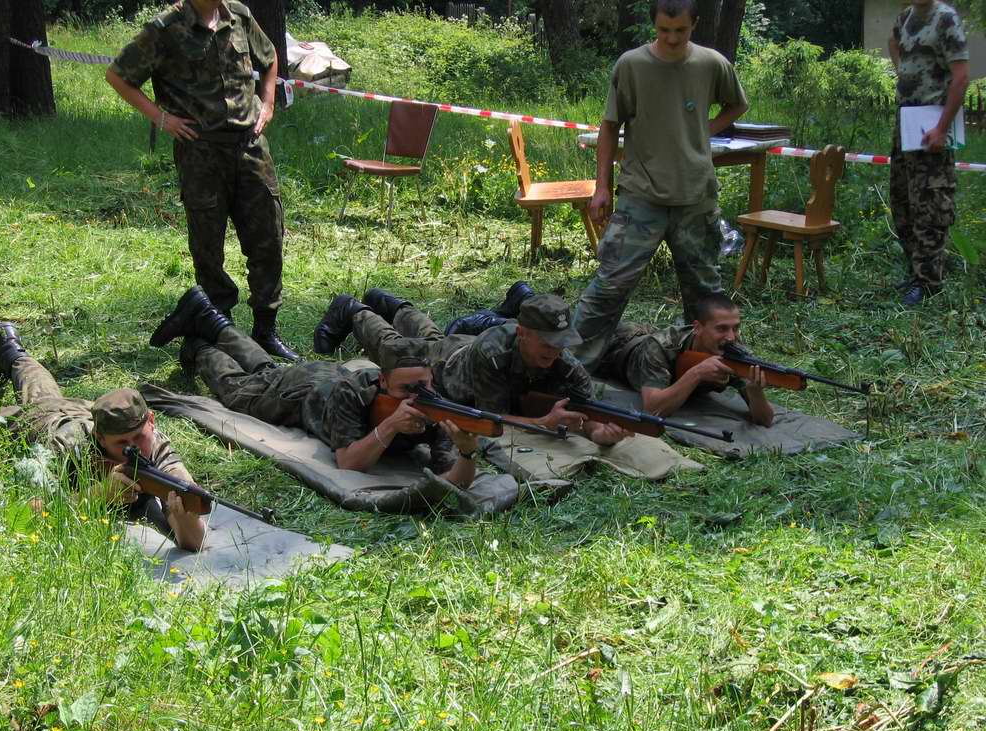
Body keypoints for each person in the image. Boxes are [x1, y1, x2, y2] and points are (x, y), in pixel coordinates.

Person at [105, 0, 298, 360]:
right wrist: (162, 118)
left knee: (268, 238)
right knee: (208, 247)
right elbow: (118, 76)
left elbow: (270, 58)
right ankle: (219, 327)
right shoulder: (165, 28)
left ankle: (266, 330)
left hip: (250, 147)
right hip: (201, 151)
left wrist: (268, 103)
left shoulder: (238, 15)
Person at [572, 0, 749, 370]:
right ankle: (570, 365)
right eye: (663, 30)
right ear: (654, 25)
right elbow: (610, 125)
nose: (671, 38)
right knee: (609, 286)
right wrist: (601, 186)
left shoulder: (711, 64)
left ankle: (705, 368)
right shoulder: (632, 65)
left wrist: (705, 129)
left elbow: (737, 104)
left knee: (705, 293)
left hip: (695, 196)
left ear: (694, 24)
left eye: (680, 30)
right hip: (641, 195)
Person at [150, 287, 480, 483]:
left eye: (423, 386)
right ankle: (201, 345)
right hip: (304, 391)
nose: (417, 396)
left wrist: (466, 451)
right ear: (382, 381)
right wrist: (392, 425)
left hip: (318, 378)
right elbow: (348, 463)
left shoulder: (436, 406)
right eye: (406, 390)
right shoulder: (352, 395)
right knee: (239, 391)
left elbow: (453, 479)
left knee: (265, 371)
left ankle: (210, 318)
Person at [0, 323, 207, 550]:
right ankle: (4, 354)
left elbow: (194, 540)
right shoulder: (66, 445)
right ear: (100, 438)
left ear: (151, 421)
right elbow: (30, 510)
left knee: (44, 390)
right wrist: (97, 494)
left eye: (139, 437)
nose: (134, 448)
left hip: (85, 409)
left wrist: (185, 518)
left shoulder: (157, 444)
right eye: (122, 443)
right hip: (45, 420)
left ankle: (10, 350)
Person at [312, 289, 631, 446]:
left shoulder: (566, 364)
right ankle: (352, 310)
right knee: (393, 348)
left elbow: (589, 413)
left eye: (561, 342)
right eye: (547, 342)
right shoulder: (493, 353)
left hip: (458, 349)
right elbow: (492, 417)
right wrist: (544, 423)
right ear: (522, 333)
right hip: (443, 366)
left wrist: (599, 432)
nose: (555, 350)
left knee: (430, 334)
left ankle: (393, 305)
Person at [888, 0, 970, 306]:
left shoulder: (945, 18)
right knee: (902, 200)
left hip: (933, 124)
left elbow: (961, 77)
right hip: (906, 123)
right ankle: (915, 274)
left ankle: (929, 283)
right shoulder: (905, 18)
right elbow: (893, 41)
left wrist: (942, 127)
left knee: (931, 205)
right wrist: (902, 71)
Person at [595, 294, 774, 427]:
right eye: (721, 329)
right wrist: (696, 373)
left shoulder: (735, 352)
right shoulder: (660, 347)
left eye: (736, 328)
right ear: (697, 328)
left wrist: (755, 391)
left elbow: (765, 420)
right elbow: (652, 410)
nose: (731, 337)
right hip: (616, 345)